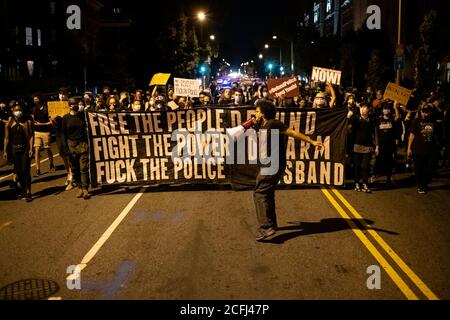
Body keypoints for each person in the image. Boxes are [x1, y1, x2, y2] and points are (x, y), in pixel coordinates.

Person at [245, 100, 323, 241]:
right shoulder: (263, 125)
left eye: (257, 111)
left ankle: (266, 227)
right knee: (267, 194)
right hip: (268, 164)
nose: (255, 113)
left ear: (263, 113)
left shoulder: (274, 123)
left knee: (260, 193)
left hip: (273, 165)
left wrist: (312, 142)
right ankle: (271, 225)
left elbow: (292, 133)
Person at [407, 103, 442, 194]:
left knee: (430, 169)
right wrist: (409, 148)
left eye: (427, 112)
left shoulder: (434, 121)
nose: (425, 114)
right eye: (424, 111)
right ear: (421, 112)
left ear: (430, 112)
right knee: (419, 168)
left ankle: (424, 182)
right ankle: (421, 186)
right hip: (418, 150)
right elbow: (412, 135)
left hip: (431, 150)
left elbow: (437, 136)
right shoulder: (416, 121)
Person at [3, 102, 34, 201]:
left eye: (20, 110)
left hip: (24, 148)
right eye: (16, 110)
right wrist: (5, 151)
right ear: (12, 111)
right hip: (14, 149)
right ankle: (23, 191)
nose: (18, 112)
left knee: (26, 170)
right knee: (19, 171)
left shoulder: (26, 122)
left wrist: (30, 149)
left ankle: (28, 191)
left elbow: (30, 136)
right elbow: (7, 138)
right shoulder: (9, 123)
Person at [62, 97, 91, 199]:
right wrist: (65, 148)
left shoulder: (82, 116)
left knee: (84, 167)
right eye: (75, 104)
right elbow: (63, 134)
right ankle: (79, 187)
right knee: (75, 168)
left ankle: (85, 188)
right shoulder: (65, 118)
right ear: (70, 105)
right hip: (71, 145)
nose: (77, 106)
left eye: (78, 104)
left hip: (82, 144)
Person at [350, 103, 376, 193]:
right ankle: (357, 182)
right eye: (361, 107)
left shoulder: (371, 121)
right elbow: (351, 126)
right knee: (357, 166)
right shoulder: (356, 120)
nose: (362, 109)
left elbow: (375, 133)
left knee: (365, 166)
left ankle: (365, 183)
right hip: (357, 146)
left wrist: (377, 146)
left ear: (368, 109)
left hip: (368, 147)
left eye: (364, 108)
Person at [374, 102, 402, 187]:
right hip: (381, 144)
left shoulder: (392, 119)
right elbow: (376, 132)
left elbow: (398, 118)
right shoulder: (378, 120)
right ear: (382, 110)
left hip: (390, 145)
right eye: (385, 109)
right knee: (378, 161)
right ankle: (375, 176)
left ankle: (388, 179)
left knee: (389, 162)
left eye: (388, 109)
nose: (387, 110)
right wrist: (377, 145)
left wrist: (395, 107)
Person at [31, 94, 55, 177]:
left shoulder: (46, 108)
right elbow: (33, 118)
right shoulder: (34, 109)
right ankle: (38, 169)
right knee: (37, 150)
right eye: (34, 99)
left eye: (36, 98)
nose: (35, 100)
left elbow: (51, 122)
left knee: (47, 148)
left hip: (46, 131)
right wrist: (33, 121)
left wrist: (42, 124)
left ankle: (51, 164)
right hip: (37, 132)